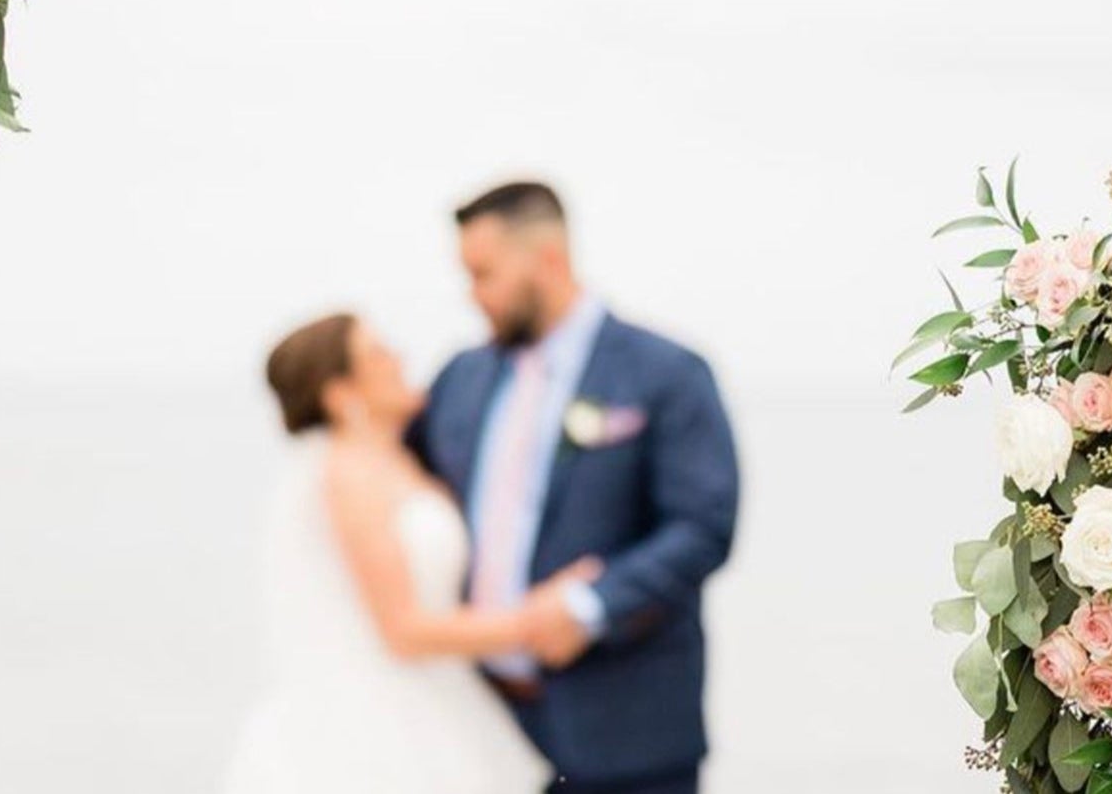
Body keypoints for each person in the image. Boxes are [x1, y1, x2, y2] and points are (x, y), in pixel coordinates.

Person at [407, 181, 740, 794]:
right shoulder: (461, 377)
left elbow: (703, 527)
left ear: (548, 261)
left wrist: (590, 607)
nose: (472, 295)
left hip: (628, 740)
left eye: (484, 274)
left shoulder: (667, 373)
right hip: (481, 732)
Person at [224, 311, 585, 792]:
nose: (398, 360)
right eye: (377, 354)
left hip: (443, 698)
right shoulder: (349, 475)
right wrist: (539, 618)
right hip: (382, 721)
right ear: (341, 394)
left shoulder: (402, 459)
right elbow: (403, 628)